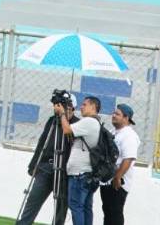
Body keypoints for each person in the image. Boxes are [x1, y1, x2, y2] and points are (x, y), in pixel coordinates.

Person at [17, 92, 76, 225]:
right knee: (32, 201)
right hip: (45, 168)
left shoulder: (76, 123)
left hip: (64, 172)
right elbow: (42, 143)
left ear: (72, 107)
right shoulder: (52, 121)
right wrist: (33, 165)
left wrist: (63, 117)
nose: (58, 108)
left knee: (61, 207)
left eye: (63, 106)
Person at [59, 95, 103, 225]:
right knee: (85, 208)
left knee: (76, 206)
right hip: (87, 174)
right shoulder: (95, 123)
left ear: (93, 107)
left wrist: (62, 114)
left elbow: (67, 130)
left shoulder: (89, 122)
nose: (81, 107)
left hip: (80, 174)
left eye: (84, 105)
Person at [99, 104, 139, 225]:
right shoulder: (114, 132)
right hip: (107, 180)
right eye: (114, 113)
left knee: (115, 212)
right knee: (108, 211)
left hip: (118, 182)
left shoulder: (129, 135)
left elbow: (128, 158)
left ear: (126, 118)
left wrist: (117, 177)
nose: (113, 115)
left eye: (117, 114)